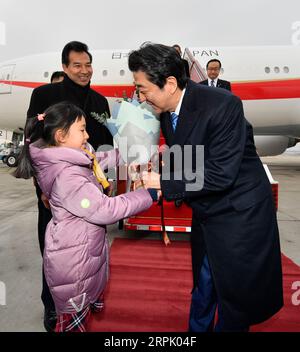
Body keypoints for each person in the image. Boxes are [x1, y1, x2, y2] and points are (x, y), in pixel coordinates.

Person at [128, 43, 283, 332]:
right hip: (206, 212)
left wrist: (163, 182)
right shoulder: (167, 113)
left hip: (239, 216)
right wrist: (163, 164)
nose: (139, 96)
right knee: (203, 283)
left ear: (170, 83)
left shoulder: (223, 105)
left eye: (143, 88)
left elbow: (221, 173)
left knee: (234, 296)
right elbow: (192, 155)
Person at [14, 102, 155, 332]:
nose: (87, 134)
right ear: (61, 136)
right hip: (74, 266)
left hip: (80, 251)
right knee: (71, 324)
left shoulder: (67, 158)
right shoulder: (68, 176)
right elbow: (107, 210)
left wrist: (126, 154)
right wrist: (148, 194)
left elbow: (98, 161)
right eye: (82, 129)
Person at [26, 41, 113, 331]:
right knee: (55, 258)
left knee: (88, 255)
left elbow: (105, 144)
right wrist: (44, 189)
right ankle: (53, 310)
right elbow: (35, 145)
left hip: (89, 194)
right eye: (77, 65)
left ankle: (86, 303)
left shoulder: (100, 102)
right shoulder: (43, 95)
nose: (84, 70)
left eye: (88, 64)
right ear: (64, 67)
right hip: (55, 196)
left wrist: (105, 179)